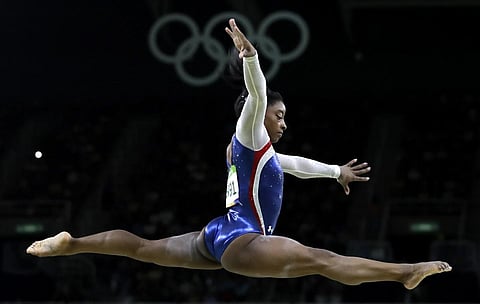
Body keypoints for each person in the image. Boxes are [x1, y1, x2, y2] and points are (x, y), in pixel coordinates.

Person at [26, 18, 451, 291]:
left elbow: (294, 166)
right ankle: (404, 272)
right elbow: (259, 92)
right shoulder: (247, 132)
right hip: (241, 239)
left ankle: (73, 243)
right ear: (258, 116)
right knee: (323, 261)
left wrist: (334, 170)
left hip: (217, 234)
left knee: (141, 248)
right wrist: (251, 59)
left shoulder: (251, 151)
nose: (284, 123)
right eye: (279, 116)